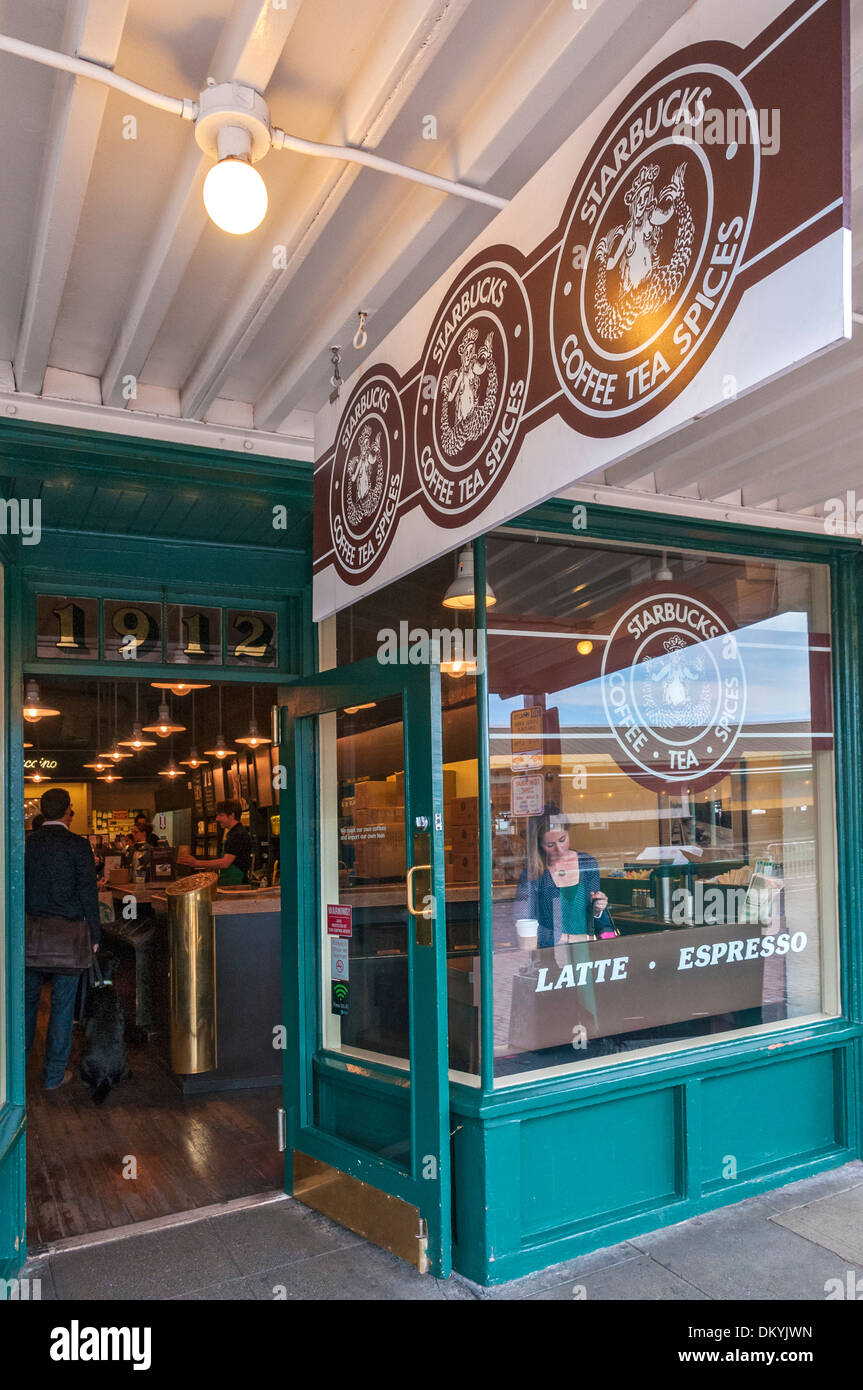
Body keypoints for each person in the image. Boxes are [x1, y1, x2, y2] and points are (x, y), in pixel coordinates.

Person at [25, 787, 100, 1090]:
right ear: (67, 811)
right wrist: (94, 934)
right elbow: (88, 893)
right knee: (62, 1007)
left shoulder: (26, 843)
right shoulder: (78, 845)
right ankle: (54, 1075)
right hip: (68, 937)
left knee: (27, 1005)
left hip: (30, 934)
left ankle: (18, 1072)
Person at [513, 814, 616, 947]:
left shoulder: (587, 863)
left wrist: (598, 909)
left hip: (586, 951)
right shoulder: (534, 873)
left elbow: (597, 920)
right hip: (550, 953)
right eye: (550, 845)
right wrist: (568, 938)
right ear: (539, 845)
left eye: (562, 840)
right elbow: (524, 923)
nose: (559, 849)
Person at [177, 799, 252, 885]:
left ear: (231, 815)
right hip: (230, 881)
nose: (217, 819)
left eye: (220, 815)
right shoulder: (234, 832)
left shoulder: (238, 834)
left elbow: (225, 863)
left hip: (236, 883)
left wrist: (197, 863)